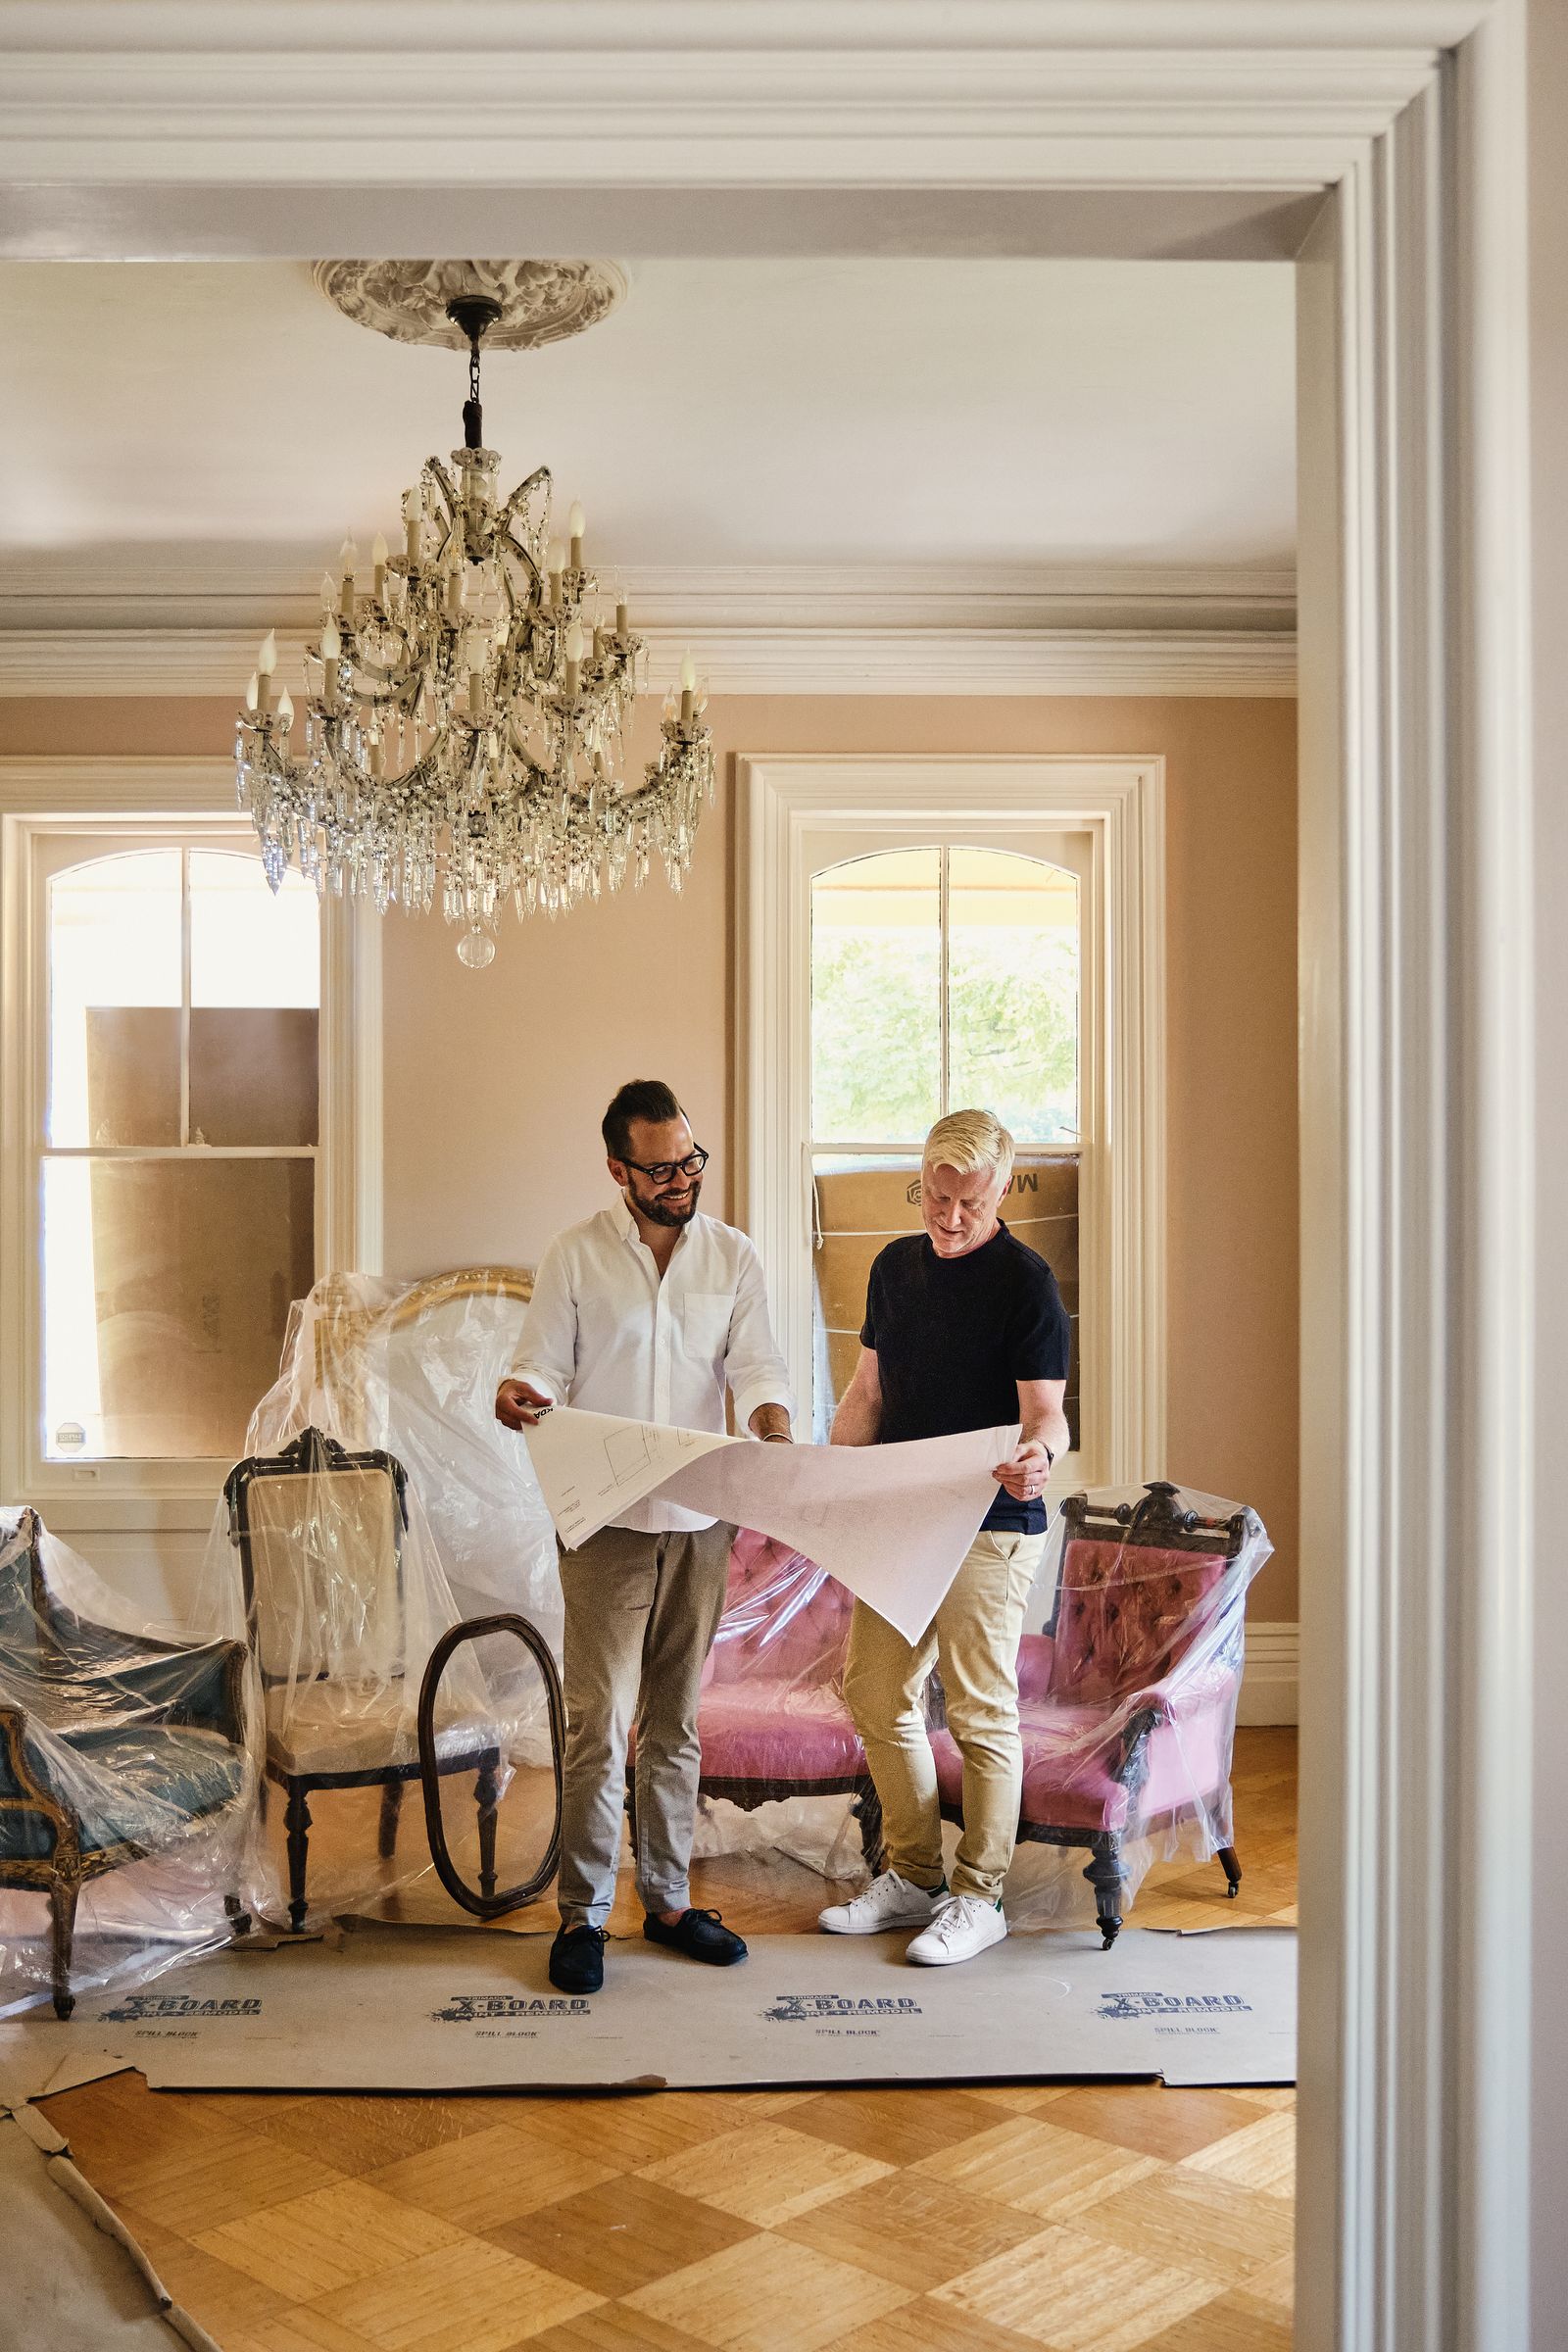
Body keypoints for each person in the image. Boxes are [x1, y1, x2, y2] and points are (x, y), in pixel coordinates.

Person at [496, 1080, 794, 1994]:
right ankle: (583, 1916)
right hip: (605, 1524)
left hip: (701, 1521)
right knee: (598, 1723)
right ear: (618, 1170)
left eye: (690, 1161)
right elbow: (540, 1365)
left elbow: (758, 1366)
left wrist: (774, 1428)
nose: (681, 1181)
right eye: (660, 1169)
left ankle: (666, 1903)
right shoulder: (575, 1255)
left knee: (676, 1722)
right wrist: (520, 1393)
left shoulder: (733, 1256)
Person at [819, 1107, 1070, 1966]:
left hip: (991, 1521)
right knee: (874, 1691)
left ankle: (981, 1895)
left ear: (1001, 1193)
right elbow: (867, 1394)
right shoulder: (893, 1267)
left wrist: (1039, 1457)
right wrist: (828, 1479)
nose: (952, 1217)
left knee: (977, 1708)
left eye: (971, 1202)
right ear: (920, 1183)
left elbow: (1047, 1416)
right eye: (937, 1197)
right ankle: (915, 1876)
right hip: (902, 1516)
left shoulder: (1027, 1284)